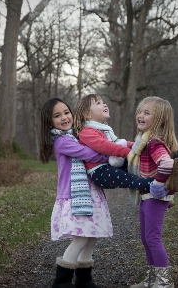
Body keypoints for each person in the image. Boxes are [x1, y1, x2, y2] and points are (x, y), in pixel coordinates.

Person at [39, 97, 111, 288]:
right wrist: (108, 153)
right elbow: (89, 154)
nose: (64, 117)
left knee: (91, 236)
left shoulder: (77, 135)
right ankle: (61, 281)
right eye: (57, 115)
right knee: (80, 238)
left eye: (66, 112)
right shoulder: (62, 141)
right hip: (74, 196)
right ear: (50, 122)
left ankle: (84, 279)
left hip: (91, 193)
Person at [128, 96, 178, 288]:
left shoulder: (154, 143)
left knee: (152, 238)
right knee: (145, 238)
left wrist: (158, 184)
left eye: (147, 112)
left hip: (155, 196)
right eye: (140, 111)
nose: (140, 115)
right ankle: (151, 281)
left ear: (159, 120)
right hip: (146, 196)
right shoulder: (143, 142)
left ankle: (165, 283)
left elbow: (167, 163)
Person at [73, 94, 166, 196]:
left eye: (103, 102)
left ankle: (161, 181)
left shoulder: (104, 129)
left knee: (139, 168)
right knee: (130, 179)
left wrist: (139, 147)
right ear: (87, 114)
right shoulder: (86, 132)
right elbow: (105, 146)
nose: (104, 105)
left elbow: (120, 142)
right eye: (98, 103)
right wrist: (128, 153)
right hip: (99, 172)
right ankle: (158, 186)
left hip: (110, 165)